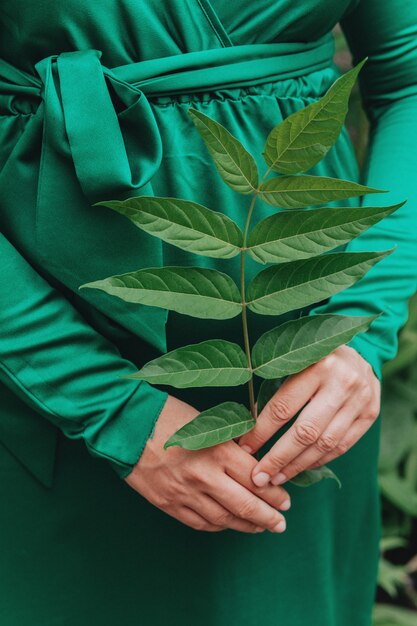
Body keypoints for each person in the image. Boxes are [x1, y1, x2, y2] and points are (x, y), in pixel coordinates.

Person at [0, 1, 416, 624]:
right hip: (47, 372)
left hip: (317, 391)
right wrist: (110, 406)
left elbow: (407, 80)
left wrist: (362, 321)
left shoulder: (344, 357)